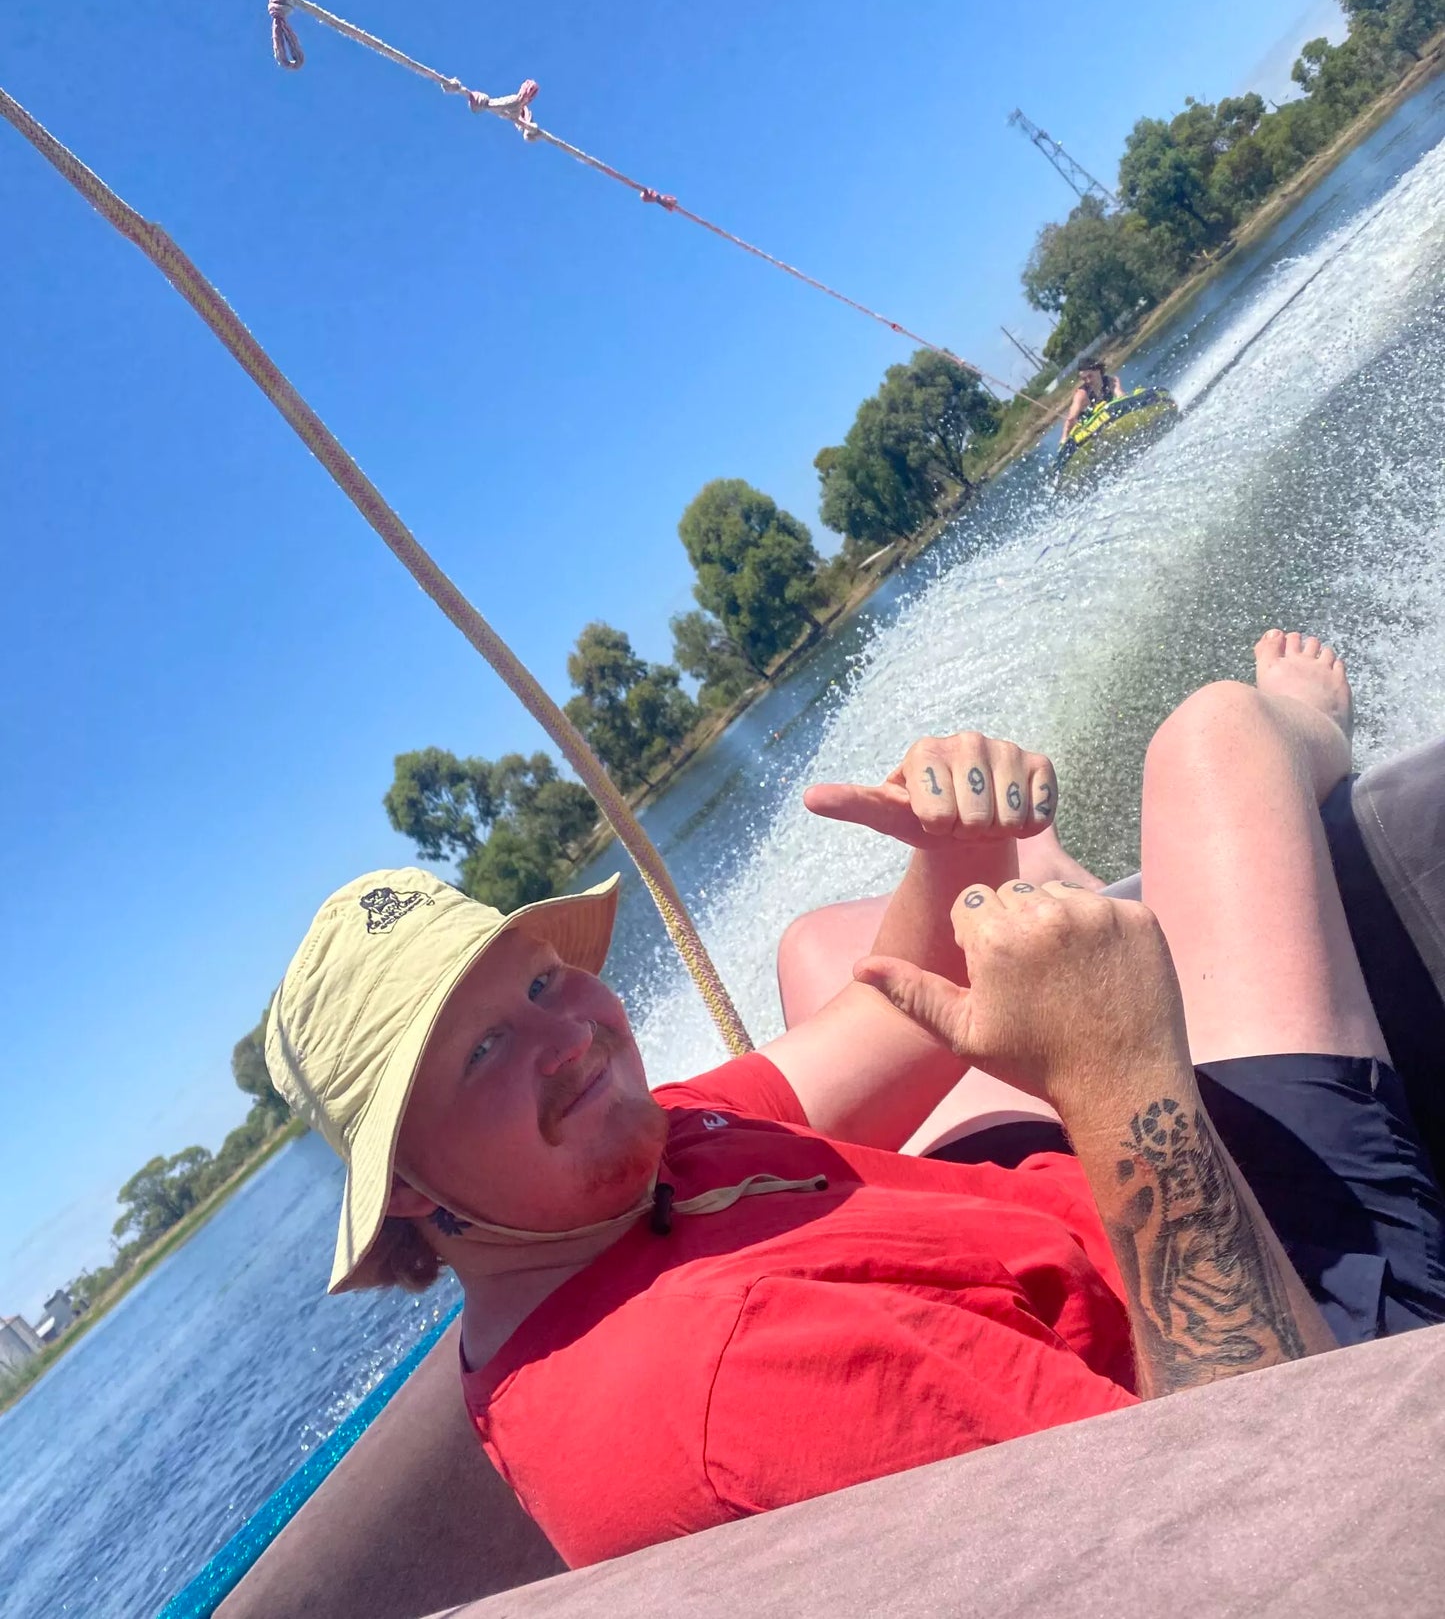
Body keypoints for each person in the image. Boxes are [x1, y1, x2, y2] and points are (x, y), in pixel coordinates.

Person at [266, 632, 1445, 1569]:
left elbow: (885, 1009)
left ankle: (1073, 905)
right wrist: (1120, 1072)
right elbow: (1270, 1510)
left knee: (836, 939)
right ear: (409, 1193)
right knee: (1212, 737)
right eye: (481, 1051)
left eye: (537, 977)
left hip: (1093, 1237)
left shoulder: (620, 1177)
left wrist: (953, 848)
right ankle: (1304, 735)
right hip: (1279, 1323)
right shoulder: (729, 1381)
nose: (566, 1033)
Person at [1061, 355, 1123, 443]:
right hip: (1088, 431)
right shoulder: (1081, 394)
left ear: (1098, 370)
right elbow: (1071, 419)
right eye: (1084, 379)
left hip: (1109, 422)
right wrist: (1064, 439)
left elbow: (1121, 397)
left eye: (1090, 376)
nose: (1088, 381)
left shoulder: (1112, 381)